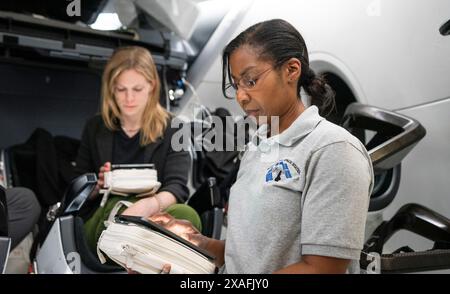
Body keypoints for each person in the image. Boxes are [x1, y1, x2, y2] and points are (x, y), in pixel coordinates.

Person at [149, 19, 374, 274]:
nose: (240, 97)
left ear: (291, 70)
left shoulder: (333, 149)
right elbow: (246, 255)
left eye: (251, 81)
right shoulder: (257, 148)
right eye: (236, 84)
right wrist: (193, 240)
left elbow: (321, 269)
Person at [74, 46, 201, 252]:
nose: (129, 98)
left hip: (154, 211)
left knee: (187, 216)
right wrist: (97, 185)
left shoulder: (175, 127)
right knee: (114, 212)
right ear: (111, 89)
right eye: (121, 90)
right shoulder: (95, 127)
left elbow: (177, 187)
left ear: (151, 86)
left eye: (137, 89)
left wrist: (149, 205)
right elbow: (77, 187)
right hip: (107, 211)